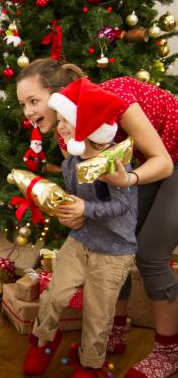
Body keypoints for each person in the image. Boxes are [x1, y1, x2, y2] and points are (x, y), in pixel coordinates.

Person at [17, 58, 178, 378]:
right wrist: (75, 214)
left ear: (61, 94)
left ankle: (169, 351)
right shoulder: (67, 134)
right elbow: (93, 200)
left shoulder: (116, 100)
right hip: (140, 163)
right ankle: (113, 331)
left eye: (34, 101)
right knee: (113, 241)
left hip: (169, 159)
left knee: (150, 254)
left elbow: (163, 163)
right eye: (23, 104)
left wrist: (127, 181)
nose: (28, 113)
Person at [22, 78, 137, 377]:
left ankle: (89, 363)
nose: (60, 126)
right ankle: (43, 339)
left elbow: (122, 207)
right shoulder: (72, 163)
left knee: (99, 316)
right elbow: (74, 201)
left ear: (87, 124)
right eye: (59, 120)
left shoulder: (118, 162)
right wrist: (70, 213)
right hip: (80, 240)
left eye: (66, 121)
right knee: (54, 296)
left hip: (114, 250)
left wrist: (87, 209)